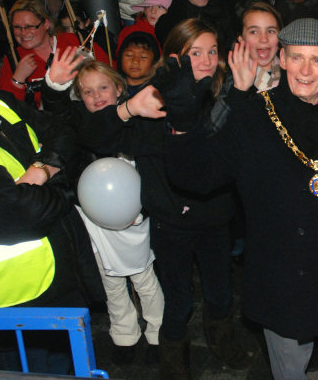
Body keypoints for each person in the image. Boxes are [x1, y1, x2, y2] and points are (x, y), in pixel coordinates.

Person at [162, 18, 318, 379]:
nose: (306, 70)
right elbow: (197, 177)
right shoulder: (250, 116)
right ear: (282, 59)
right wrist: (182, 121)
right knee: (289, 369)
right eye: (297, 58)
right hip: (282, 274)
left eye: (317, 60)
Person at [79, 19, 247, 380]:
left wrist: (243, 96)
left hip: (216, 216)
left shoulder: (223, 95)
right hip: (172, 222)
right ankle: (173, 356)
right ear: (174, 58)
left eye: (211, 51)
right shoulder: (153, 101)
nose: (206, 60)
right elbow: (93, 136)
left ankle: (222, 339)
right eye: (195, 52)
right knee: (178, 298)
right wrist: (127, 109)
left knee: (221, 291)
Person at [0, 15, 104, 374]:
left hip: (60, 276)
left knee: (69, 365)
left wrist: (39, 172)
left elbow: (63, 133)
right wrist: (60, 180)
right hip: (14, 304)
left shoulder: (1, 104)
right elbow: (25, 212)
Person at [42, 58, 164, 366]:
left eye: (103, 88)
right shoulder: (79, 123)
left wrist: (142, 207)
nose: (97, 96)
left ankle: (158, 332)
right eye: (88, 91)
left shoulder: (138, 116)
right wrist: (54, 88)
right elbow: (57, 114)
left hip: (134, 217)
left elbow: (153, 171)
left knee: (144, 277)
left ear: (119, 88)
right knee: (109, 280)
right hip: (93, 217)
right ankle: (124, 334)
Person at [0, 0, 109, 109]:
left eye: (29, 26)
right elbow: (4, 107)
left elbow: (110, 74)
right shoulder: (14, 59)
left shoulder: (74, 42)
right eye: (17, 27)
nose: (23, 33)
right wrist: (18, 80)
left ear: (46, 24)